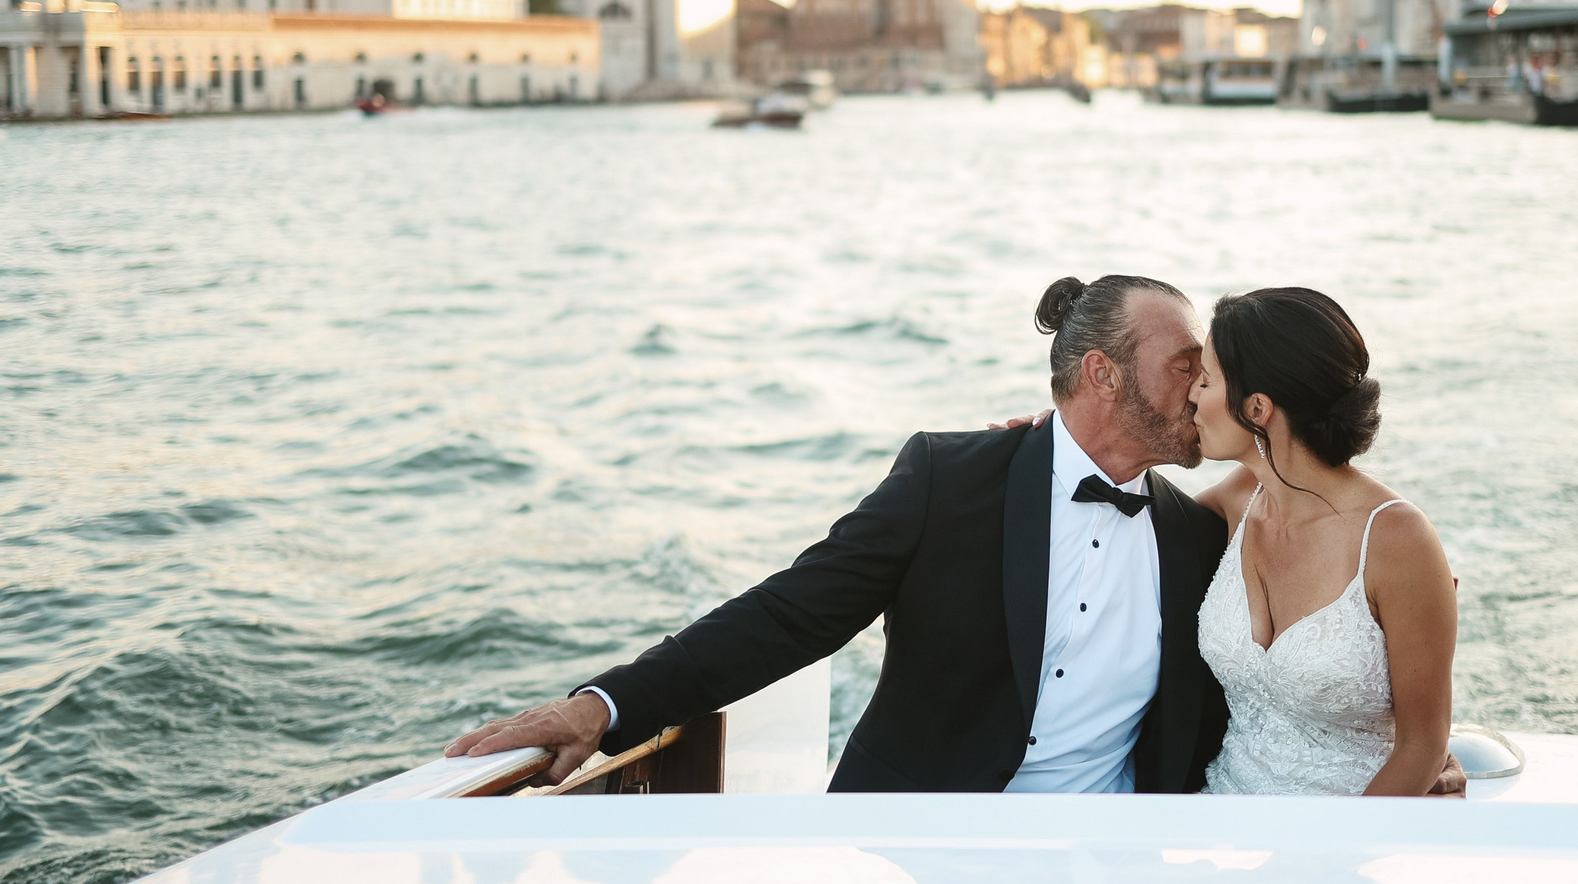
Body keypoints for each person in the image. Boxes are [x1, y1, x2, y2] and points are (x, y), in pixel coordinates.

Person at [445, 275, 1236, 793]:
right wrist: (605, 704)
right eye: (1185, 365)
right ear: (1102, 373)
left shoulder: (1194, 537)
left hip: (1109, 867)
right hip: (913, 848)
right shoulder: (949, 479)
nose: (1203, 387)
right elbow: (790, 614)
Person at [1188, 288, 1458, 796]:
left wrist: (1337, 844)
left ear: (1257, 407)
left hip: (1351, 829)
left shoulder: (1396, 538)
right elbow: (1128, 519)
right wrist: (1052, 438)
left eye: (1205, 380)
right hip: (1221, 815)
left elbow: (1423, 746)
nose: (1191, 397)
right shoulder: (1238, 498)